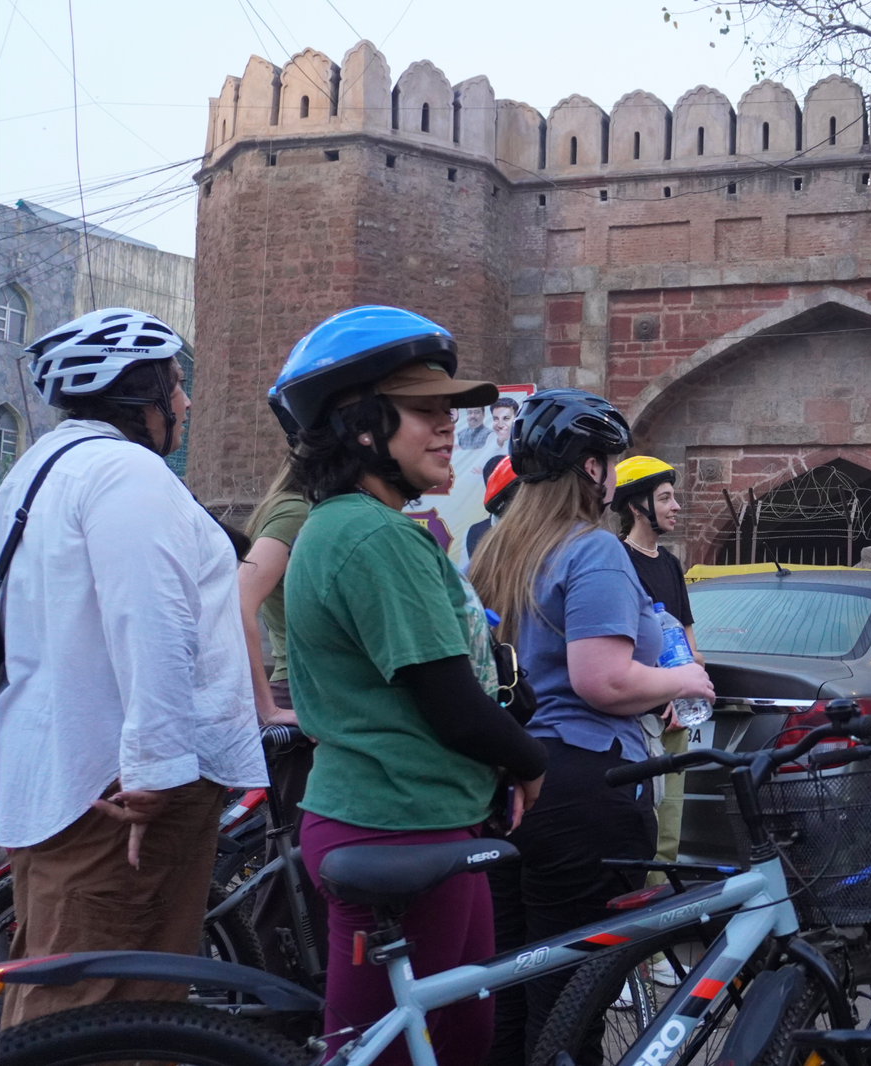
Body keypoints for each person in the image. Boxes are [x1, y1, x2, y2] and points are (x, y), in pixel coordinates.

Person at [275, 305, 549, 1066]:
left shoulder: (370, 526)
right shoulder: (371, 536)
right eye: (425, 411)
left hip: (426, 821)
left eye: (449, 412)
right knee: (384, 1052)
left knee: (457, 1041)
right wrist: (531, 762)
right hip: (394, 827)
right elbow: (451, 703)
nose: (447, 428)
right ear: (362, 427)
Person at [0, 308, 269, 1026]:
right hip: (121, 788)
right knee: (110, 1003)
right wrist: (155, 773)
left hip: (62, 769)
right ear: (137, 395)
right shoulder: (126, 472)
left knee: (58, 983)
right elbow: (152, 622)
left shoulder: (39, 469)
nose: (185, 402)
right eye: (174, 385)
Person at [468, 390, 714, 1066]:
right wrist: (685, 680)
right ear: (590, 468)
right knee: (569, 1008)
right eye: (610, 460)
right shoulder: (593, 550)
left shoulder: (497, 553)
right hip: (584, 783)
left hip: (509, 785)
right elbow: (603, 680)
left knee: (510, 997)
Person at [238, 399, 330, 978]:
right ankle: (275, 1003)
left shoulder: (295, 507)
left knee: (293, 859)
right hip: (298, 698)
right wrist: (267, 709)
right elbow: (239, 602)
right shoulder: (296, 513)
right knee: (296, 868)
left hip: (301, 693)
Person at [611, 455, 698, 903]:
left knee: (669, 832)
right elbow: (616, 647)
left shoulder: (670, 563)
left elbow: (688, 638)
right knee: (640, 827)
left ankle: (660, 924)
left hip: (676, 715)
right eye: (665, 498)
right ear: (636, 506)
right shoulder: (616, 560)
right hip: (638, 719)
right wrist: (663, 692)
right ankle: (634, 934)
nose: (675, 506)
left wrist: (688, 691)